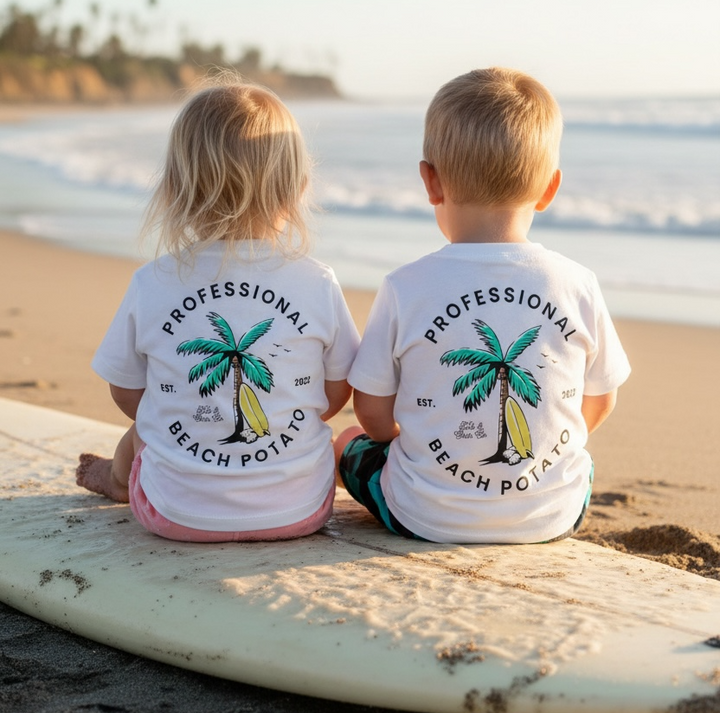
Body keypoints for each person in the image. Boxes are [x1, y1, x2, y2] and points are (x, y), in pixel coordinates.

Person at [336, 67, 630, 544]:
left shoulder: (405, 286)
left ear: (430, 181)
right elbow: (600, 399)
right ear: (550, 189)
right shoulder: (578, 284)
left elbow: (370, 410)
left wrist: (405, 441)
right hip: (553, 517)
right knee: (582, 459)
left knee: (348, 443)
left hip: (422, 518)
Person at [77, 81, 359, 541]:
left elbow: (125, 389)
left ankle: (116, 479)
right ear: (298, 189)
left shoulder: (153, 282)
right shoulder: (317, 281)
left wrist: (171, 414)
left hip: (172, 516)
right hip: (301, 514)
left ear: (174, 188)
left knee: (141, 432)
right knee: (321, 443)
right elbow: (339, 386)